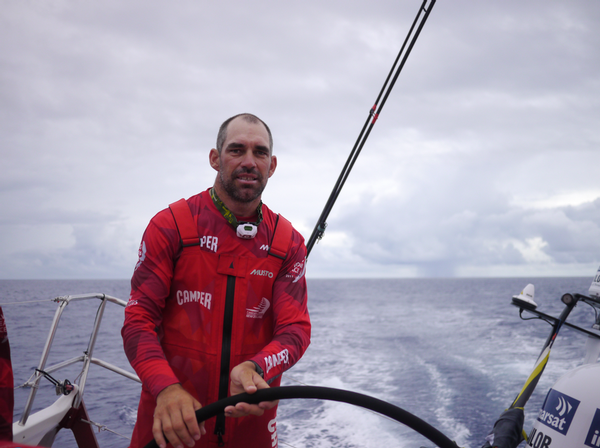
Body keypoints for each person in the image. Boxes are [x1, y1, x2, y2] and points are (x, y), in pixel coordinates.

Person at [122, 113, 311, 448]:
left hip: (251, 422)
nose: (249, 162)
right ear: (215, 158)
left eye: (260, 152)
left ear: (273, 165)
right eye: (237, 150)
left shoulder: (288, 243)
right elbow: (139, 322)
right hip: (172, 421)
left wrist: (258, 367)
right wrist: (166, 388)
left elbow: (295, 330)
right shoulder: (171, 227)